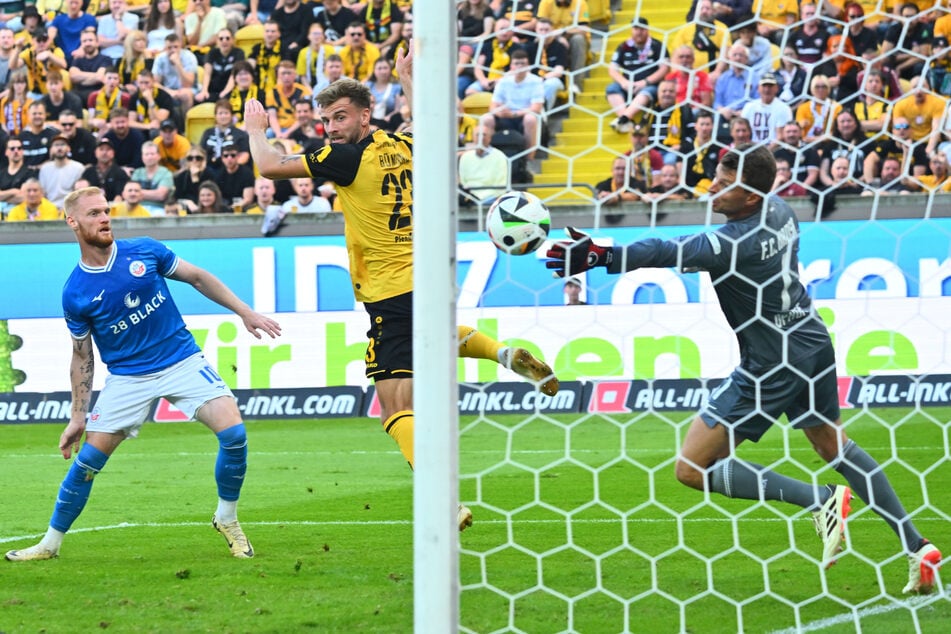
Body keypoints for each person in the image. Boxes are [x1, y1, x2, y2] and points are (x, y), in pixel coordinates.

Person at [543, 144, 943, 595]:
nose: (712, 184)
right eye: (715, 173)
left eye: (725, 180)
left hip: (770, 363)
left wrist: (603, 256)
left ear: (750, 195)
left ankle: (822, 500)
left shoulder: (732, 243)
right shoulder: (781, 209)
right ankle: (918, 546)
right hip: (811, 342)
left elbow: (663, 250)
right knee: (834, 446)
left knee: (691, 469)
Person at [244, 49, 559, 531]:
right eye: (326, 119)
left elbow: (267, 166)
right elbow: (435, 126)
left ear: (365, 115)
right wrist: (411, 78)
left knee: (395, 405)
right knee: (433, 336)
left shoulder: (344, 156)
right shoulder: (404, 142)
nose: (330, 127)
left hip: (389, 289)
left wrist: (254, 127)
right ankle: (502, 352)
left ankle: (442, 497)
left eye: (340, 117)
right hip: (429, 277)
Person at [4, 186, 281, 563]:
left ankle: (227, 519)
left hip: (181, 359)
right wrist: (77, 415)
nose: (104, 218)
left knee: (234, 434)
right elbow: (81, 356)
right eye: (94, 214)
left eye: (106, 211)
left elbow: (197, 277)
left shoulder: (144, 250)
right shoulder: (76, 292)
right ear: (73, 222)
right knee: (87, 463)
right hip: (128, 379)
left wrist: (245, 312)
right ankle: (49, 544)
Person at [604, 16, 668, 134]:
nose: (639, 32)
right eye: (636, 29)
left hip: (650, 85)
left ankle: (623, 119)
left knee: (647, 91)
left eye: (642, 29)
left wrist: (645, 82)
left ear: (647, 30)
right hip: (628, 85)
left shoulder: (657, 46)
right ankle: (626, 120)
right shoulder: (623, 47)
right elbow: (612, 69)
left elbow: (664, 69)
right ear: (631, 30)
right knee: (612, 88)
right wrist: (624, 83)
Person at [479, 48, 544, 160]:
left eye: (523, 63)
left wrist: (514, 114)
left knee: (530, 119)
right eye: (516, 63)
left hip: (524, 115)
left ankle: (529, 158)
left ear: (528, 66)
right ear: (511, 66)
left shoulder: (536, 81)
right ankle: (486, 156)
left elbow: (536, 108)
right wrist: (499, 113)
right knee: (486, 119)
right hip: (506, 116)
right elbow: (493, 105)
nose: (519, 67)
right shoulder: (503, 81)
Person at [458, 122, 508, 207]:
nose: (481, 138)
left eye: (484, 135)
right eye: (477, 135)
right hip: (470, 197)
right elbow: (464, 182)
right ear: (473, 138)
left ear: (489, 138)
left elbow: (501, 186)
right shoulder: (466, 157)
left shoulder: (500, 156)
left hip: (492, 198)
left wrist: (482, 198)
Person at [739, 72, 792, 146]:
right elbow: (742, 131)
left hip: (775, 150)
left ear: (776, 88)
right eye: (764, 86)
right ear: (758, 88)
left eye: (770, 86)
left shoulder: (783, 108)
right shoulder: (749, 107)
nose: (767, 89)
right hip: (751, 148)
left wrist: (766, 153)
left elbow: (780, 136)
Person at [196, 28, 245, 104]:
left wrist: (225, 92)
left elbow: (234, 75)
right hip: (214, 90)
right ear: (217, 41)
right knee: (199, 99)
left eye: (227, 38)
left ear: (232, 40)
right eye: (221, 38)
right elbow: (207, 74)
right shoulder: (212, 53)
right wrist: (204, 91)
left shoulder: (238, 53)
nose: (224, 41)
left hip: (231, 90)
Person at [152, 33, 199, 111]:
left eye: (176, 47)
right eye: (169, 48)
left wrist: (178, 64)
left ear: (180, 46)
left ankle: (184, 122)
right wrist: (169, 91)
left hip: (188, 89)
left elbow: (187, 84)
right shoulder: (160, 58)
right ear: (165, 48)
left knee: (186, 94)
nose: (173, 50)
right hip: (167, 89)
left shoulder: (189, 57)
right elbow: (155, 83)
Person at [200, 98, 251, 169]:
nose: (223, 116)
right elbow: (201, 152)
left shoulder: (241, 134)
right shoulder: (208, 133)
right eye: (220, 113)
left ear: (231, 115)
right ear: (215, 116)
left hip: (232, 170)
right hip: (209, 170)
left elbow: (245, 155)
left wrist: (231, 167)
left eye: (226, 113)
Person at [38, 135, 84, 208]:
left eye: (62, 144)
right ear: (51, 149)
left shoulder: (78, 167)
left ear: (69, 148)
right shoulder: (45, 169)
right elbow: (43, 194)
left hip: (71, 208)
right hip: (49, 208)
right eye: (56, 145)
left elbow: (79, 194)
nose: (59, 148)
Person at [131, 141, 174, 214]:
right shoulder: (137, 173)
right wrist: (153, 193)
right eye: (146, 154)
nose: (149, 157)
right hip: (138, 208)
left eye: (152, 154)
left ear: (159, 156)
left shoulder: (166, 173)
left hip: (159, 209)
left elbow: (161, 195)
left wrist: (138, 193)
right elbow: (131, 194)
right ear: (142, 157)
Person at [81, 137, 130, 202]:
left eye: (108, 149)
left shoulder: (120, 173)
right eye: (101, 149)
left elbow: (120, 196)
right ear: (95, 152)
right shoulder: (88, 172)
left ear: (113, 153)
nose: (104, 152)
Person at [174, 146, 218, 210]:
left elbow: (207, 195)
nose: (194, 161)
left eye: (198, 158)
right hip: (186, 208)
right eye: (190, 158)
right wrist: (187, 202)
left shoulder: (210, 174)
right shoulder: (181, 176)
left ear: (203, 159)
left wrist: (195, 178)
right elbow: (177, 197)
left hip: (207, 206)